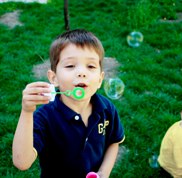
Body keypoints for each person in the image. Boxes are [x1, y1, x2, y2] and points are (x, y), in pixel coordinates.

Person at [12, 29, 125, 178]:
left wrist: (103, 173)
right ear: (54, 78)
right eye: (70, 66)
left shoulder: (106, 108)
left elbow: (114, 142)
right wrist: (27, 112)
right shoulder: (44, 117)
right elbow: (22, 163)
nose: (81, 72)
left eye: (90, 66)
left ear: (99, 79)